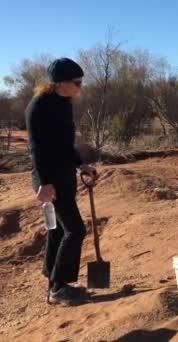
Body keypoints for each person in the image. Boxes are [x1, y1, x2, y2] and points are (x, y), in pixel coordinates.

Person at [25, 58, 98, 306]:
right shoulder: (38, 107)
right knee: (75, 229)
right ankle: (59, 288)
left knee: (58, 231)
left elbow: (65, 145)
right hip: (50, 181)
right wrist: (44, 183)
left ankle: (56, 283)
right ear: (61, 82)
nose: (79, 87)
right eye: (76, 82)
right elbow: (36, 149)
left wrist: (81, 164)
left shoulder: (63, 104)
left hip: (65, 176)